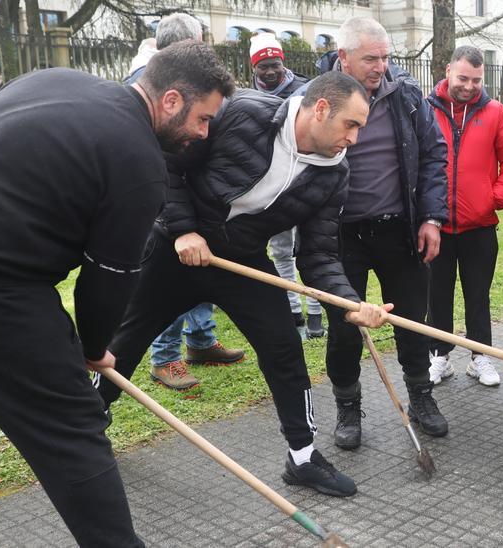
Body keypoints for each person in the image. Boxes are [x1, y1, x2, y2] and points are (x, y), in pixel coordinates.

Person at [0, 42, 232, 546]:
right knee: (71, 427)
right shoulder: (139, 161)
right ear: (171, 100)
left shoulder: (53, 78)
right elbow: (108, 279)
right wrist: (91, 349)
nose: (203, 132)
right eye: (203, 118)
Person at [97, 71, 391, 498]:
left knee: (284, 348)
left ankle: (303, 457)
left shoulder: (334, 174)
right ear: (321, 109)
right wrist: (183, 229)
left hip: (240, 262)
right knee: (126, 337)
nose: (355, 139)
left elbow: (319, 255)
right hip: (175, 250)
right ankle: (87, 421)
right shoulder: (243, 114)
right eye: (351, 124)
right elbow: (169, 165)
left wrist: (350, 303)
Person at [312, 17, 450, 448]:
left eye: (386, 57)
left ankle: (421, 397)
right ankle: (348, 409)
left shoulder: (406, 96)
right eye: (370, 58)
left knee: (413, 320)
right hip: (339, 236)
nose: (380, 66)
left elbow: (434, 155)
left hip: (399, 230)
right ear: (344, 58)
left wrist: (431, 218)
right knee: (345, 327)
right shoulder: (315, 99)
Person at [129, 12, 246, 391]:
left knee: (200, 270)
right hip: (159, 203)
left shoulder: (199, 92)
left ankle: (200, 342)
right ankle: (166, 358)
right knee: (167, 281)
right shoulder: (150, 90)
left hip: (194, 201)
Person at [425, 46, 503, 386]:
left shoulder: (496, 112)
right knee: (436, 294)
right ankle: (439, 356)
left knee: (478, 294)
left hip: (479, 224)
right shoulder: (426, 109)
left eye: (476, 80)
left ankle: (480, 357)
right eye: (463, 78)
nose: (469, 86)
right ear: (448, 70)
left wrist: (495, 197)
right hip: (436, 225)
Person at [249, 33, 326, 337]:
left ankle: (317, 311)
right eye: (263, 66)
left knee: (312, 248)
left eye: (275, 64)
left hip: (307, 179)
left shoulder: (306, 90)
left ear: (284, 62)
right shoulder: (249, 95)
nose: (270, 71)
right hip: (273, 183)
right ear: (253, 67)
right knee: (280, 249)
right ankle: (293, 308)